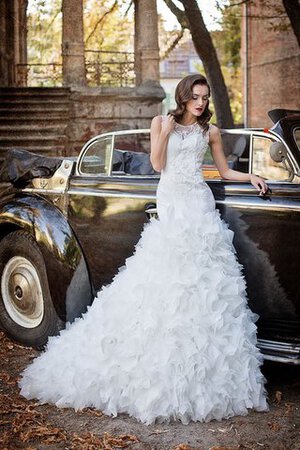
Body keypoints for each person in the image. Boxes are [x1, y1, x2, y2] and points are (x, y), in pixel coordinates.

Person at [19, 74, 269, 425]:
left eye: (204, 97)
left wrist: (253, 177)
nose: (200, 102)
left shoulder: (210, 132)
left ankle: (198, 368)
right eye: (195, 97)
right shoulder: (159, 122)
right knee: (165, 279)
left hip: (199, 204)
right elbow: (156, 164)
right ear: (183, 97)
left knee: (206, 284)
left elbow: (224, 170)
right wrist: (166, 132)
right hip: (172, 203)